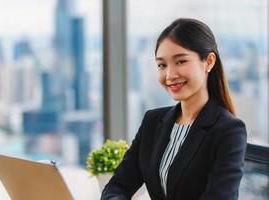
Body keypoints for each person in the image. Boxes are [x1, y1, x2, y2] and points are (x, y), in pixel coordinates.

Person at [101, 18, 247, 200]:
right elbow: (116, 187)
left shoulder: (229, 130)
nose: (170, 75)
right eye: (162, 65)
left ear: (209, 61)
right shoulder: (152, 122)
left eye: (180, 62)